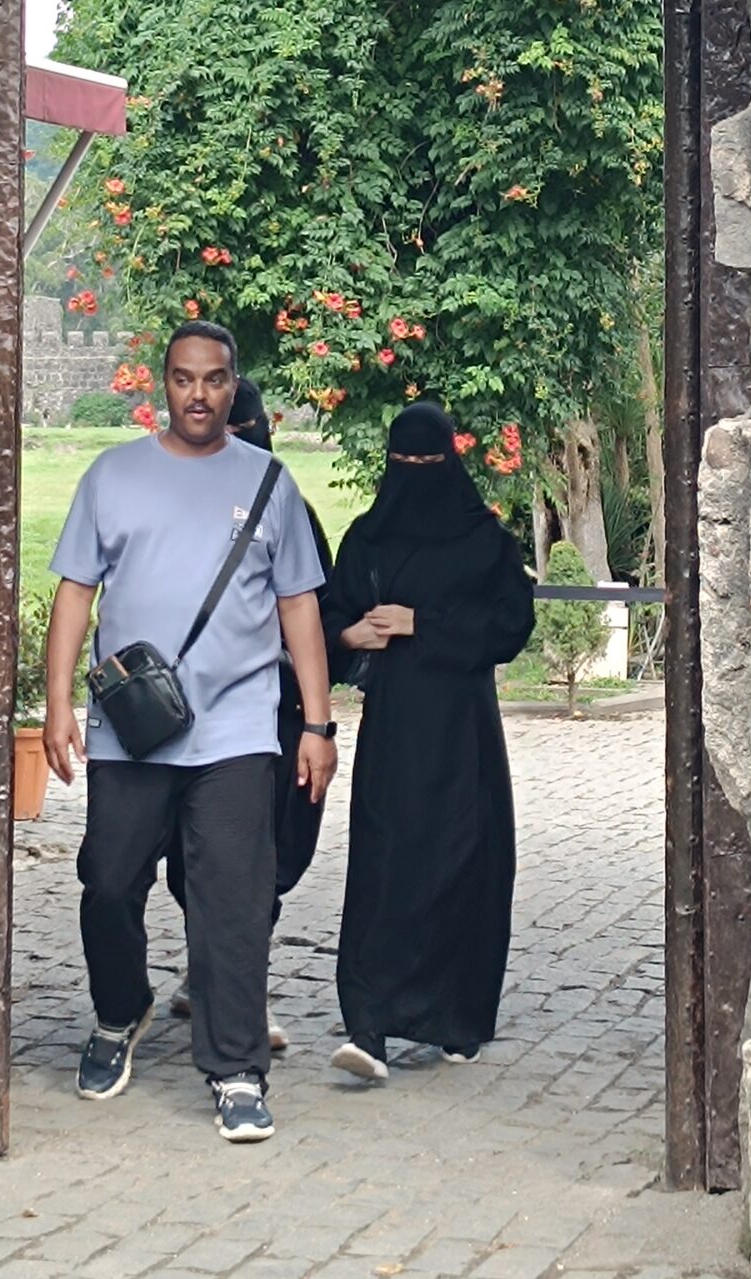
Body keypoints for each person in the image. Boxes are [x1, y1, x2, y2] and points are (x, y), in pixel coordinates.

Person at [43, 325, 336, 1143]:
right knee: (108, 881)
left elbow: (299, 607)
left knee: (232, 902)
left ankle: (237, 1068)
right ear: (162, 385)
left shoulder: (269, 483)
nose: (198, 394)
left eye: (213, 379)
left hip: (237, 729)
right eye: (183, 379)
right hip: (132, 729)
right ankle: (119, 1011)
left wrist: (317, 723)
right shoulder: (112, 476)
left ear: (232, 385)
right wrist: (57, 704)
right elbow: (74, 594)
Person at [325, 401, 534, 1082]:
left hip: (463, 733)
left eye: (427, 461)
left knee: (465, 862)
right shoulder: (368, 538)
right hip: (392, 730)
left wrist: (424, 624)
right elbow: (329, 613)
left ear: (450, 460)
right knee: (384, 863)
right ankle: (370, 1022)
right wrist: (351, 634)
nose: (414, 473)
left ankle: (456, 1016)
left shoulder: (484, 541)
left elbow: (510, 626)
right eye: (404, 462)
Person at [163, 379, 334, 1046]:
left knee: (260, 858)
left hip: (275, 714)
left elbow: (318, 611)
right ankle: (216, 981)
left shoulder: (287, 510)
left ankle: (227, 987)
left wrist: (317, 718)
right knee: (195, 853)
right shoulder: (170, 506)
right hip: (190, 712)